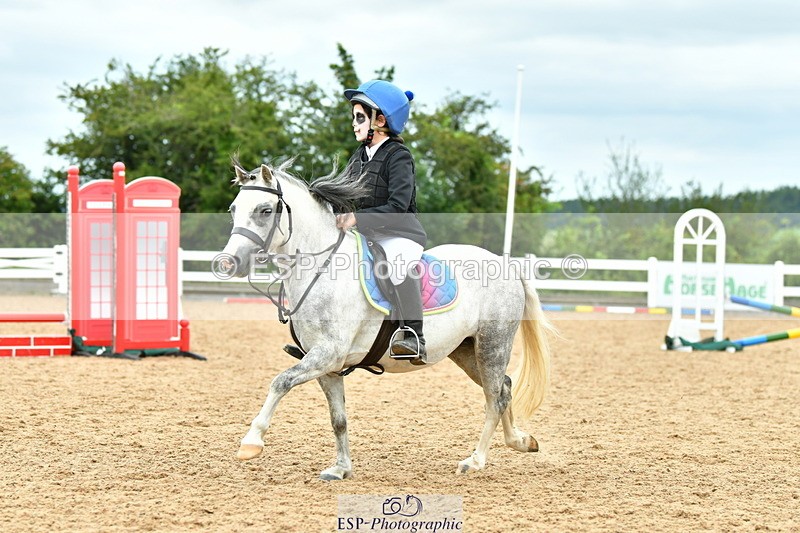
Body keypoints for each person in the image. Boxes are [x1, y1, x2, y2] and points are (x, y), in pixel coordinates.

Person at [336, 79, 428, 360]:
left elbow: (398, 206)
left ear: (380, 120)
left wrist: (356, 218)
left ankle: (414, 335)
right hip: (366, 234)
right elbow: (343, 194)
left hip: (399, 234)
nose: (353, 124)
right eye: (354, 117)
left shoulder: (398, 156)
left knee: (397, 264)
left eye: (359, 117)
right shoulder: (359, 156)